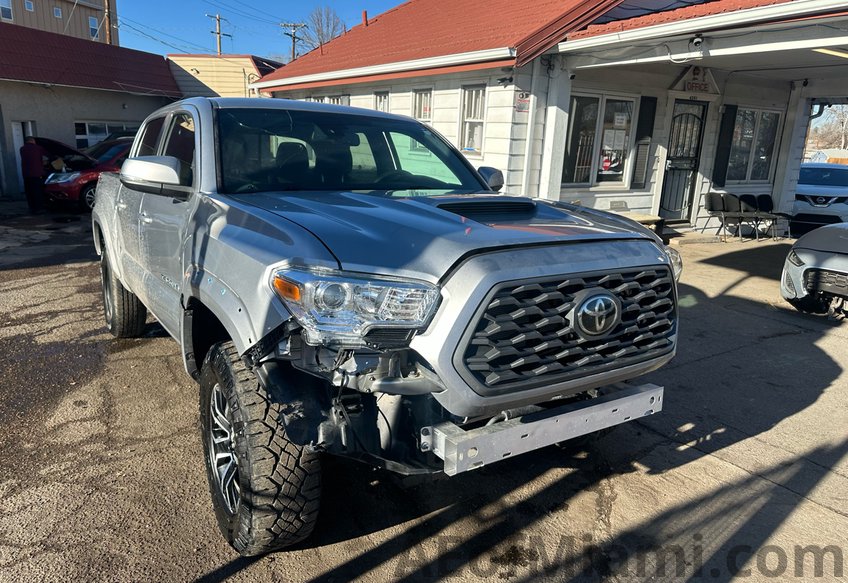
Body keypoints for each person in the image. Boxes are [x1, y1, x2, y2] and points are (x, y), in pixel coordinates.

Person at [20, 136, 49, 214]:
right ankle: (38, 208)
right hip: (36, 173)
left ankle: (31, 208)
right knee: (37, 192)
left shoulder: (22, 149)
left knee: (29, 192)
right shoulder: (38, 148)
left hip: (26, 174)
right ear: (33, 141)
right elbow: (46, 156)